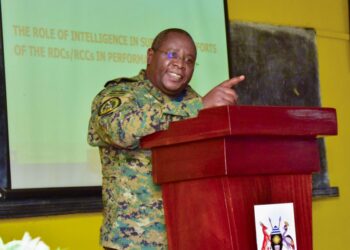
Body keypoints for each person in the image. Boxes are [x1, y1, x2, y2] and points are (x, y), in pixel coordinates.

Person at [87, 28, 244, 250]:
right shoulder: (121, 94)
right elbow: (119, 130)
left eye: (189, 60)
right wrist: (198, 108)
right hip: (134, 242)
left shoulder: (197, 102)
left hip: (190, 237)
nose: (180, 64)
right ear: (150, 56)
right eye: (172, 55)